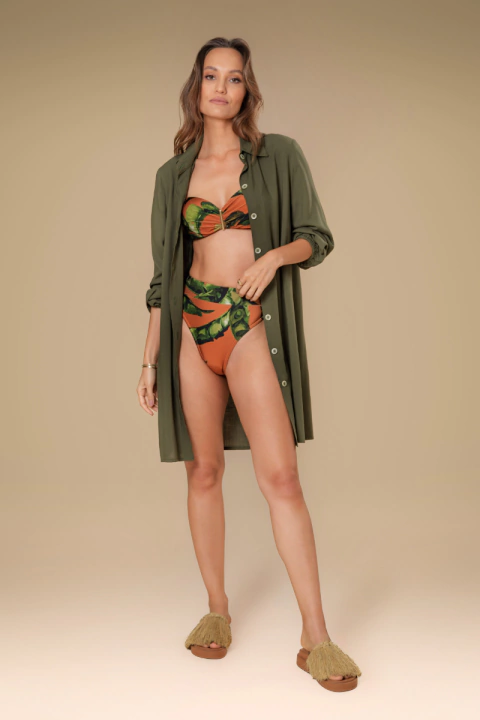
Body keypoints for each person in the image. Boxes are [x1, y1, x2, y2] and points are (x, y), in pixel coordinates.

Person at [137, 37, 362, 692]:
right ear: (196, 87)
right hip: (190, 329)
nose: (221, 87)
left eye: (234, 78)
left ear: (247, 91)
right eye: (211, 76)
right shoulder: (171, 177)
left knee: (282, 478)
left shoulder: (279, 156)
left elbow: (317, 237)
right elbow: (162, 277)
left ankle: (316, 636)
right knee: (202, 471)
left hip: (248, 326)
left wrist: (274, 258)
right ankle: (217, 609)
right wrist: (148, 359)